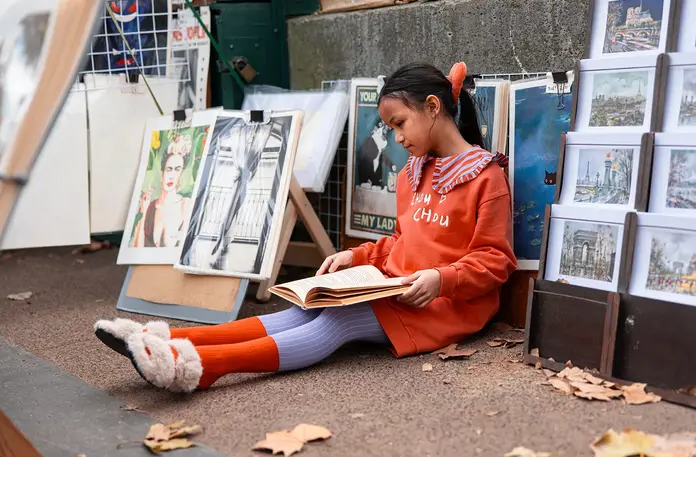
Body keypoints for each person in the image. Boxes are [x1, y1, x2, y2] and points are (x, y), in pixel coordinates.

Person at [94, 62, 518, 393]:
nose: (396, 139)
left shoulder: (486, 177)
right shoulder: (412, 173)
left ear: (432, 106)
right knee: (303, 310)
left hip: (443, 308)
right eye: (390, 129)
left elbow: (496, 261)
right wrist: (356, 256)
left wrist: (442, 278)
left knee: (336, 324)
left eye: (399, 124)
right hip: (395, 286)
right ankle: (168, 340)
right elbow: (404, 241)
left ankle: (202, 367)